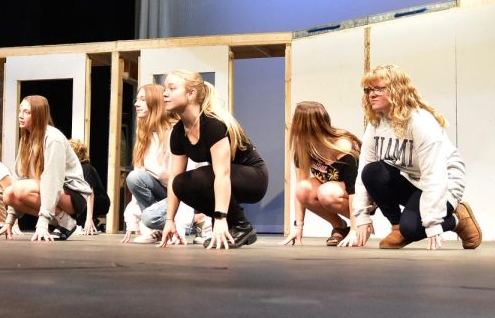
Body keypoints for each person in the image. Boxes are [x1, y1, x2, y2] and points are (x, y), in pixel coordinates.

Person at [344, 64, 481, 250]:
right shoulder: (375, 123)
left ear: (396, 90)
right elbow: (363, 171)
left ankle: (458, 219)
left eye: (379, 88)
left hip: (445, 182)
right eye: (369, 89)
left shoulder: (420, 121)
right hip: (411, 180)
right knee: (372, 171)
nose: (372, 94)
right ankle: (398, 226)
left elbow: (434, 173)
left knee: (413, 229)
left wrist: (433, 222)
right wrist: (361, 216)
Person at [158, 70, 267, 249]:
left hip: (254, 178)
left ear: (191, 93)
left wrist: (221, 219)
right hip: (223, 177)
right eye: (164, 89)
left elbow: (222, 175)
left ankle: (239, 225)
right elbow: (174, 178)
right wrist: (170, 221)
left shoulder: (213, 124)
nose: (165, 93)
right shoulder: (178, 132)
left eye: (172, 88)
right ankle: (236, 225)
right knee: (180, 183)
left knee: (203, 176)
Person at [0, 95, 95, 242]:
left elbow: (52, 180)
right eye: (20, 110)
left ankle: (66, 221)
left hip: (72, 194)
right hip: (50, 190)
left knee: (20, 189)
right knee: (8, 194)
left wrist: (43, 222)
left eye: (27, 112)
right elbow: (20, 177)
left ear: (39, 114)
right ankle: (64, 221)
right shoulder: (26, 139)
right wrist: (10, 220)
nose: (21, 115)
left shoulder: (53, 138)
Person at [282, 101, 360, 246]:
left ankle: (358, 225)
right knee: (303, 189)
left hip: (362, 196)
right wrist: (298, 227)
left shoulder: (343, 147)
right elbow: (300, 188)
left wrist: (356, 229)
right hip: (336, 190)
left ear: (305, 125)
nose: (291, 122)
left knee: (326, 192)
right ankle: (340, 227)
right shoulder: (304, 148)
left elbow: (354, 190)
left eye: (295, 119)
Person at [123, 84, 176, 244]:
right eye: (137, 99)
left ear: (155, 103)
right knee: (134, 177)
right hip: (163, 193)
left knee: (149, 217)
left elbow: (183, 182)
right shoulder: (144, 135)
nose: (136, 104)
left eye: (142, 100)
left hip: (181, 196)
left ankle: (196, 220)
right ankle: (156, 229)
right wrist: (131, 220)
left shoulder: (173, 132)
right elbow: (138, 179)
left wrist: (181, 222)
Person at [68, 138, 110, 232]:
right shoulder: (74, 169)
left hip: (99, 201)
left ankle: (91, 222)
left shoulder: (85, 168)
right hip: (89, 199)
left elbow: (90, 193)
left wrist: (89, 219)